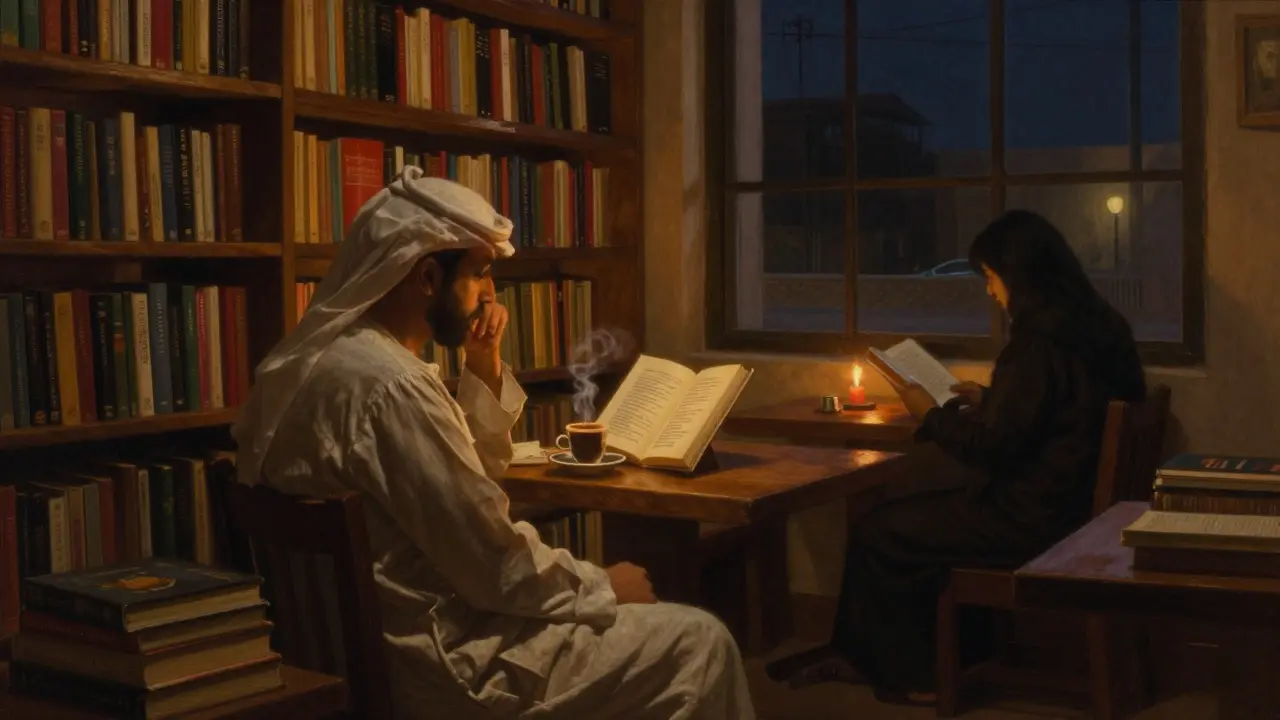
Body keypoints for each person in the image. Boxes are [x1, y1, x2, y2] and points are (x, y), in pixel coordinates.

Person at [232, 167, 755, 719]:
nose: (490, 296)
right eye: (479, 274)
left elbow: (460, 485)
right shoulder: (393, 386)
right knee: (700, 643)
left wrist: (482, 365)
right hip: (447, 669)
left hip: (357, 657)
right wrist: (603, 586)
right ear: (428, 278)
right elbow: (493, 564)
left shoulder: (311, 366)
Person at [767, 209, 1146, 707]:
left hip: (1035, 521)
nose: (990, 291)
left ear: (1019, 274)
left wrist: (930, 414)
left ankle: (915, 674)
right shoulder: (1097, 328)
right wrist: (993, 400)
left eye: (991, 277)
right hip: (1072, 509)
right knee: (911, 518)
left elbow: (991, 451)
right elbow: (1062, 412)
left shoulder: (1038, 343)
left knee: (879, 529)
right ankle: (911, 657)